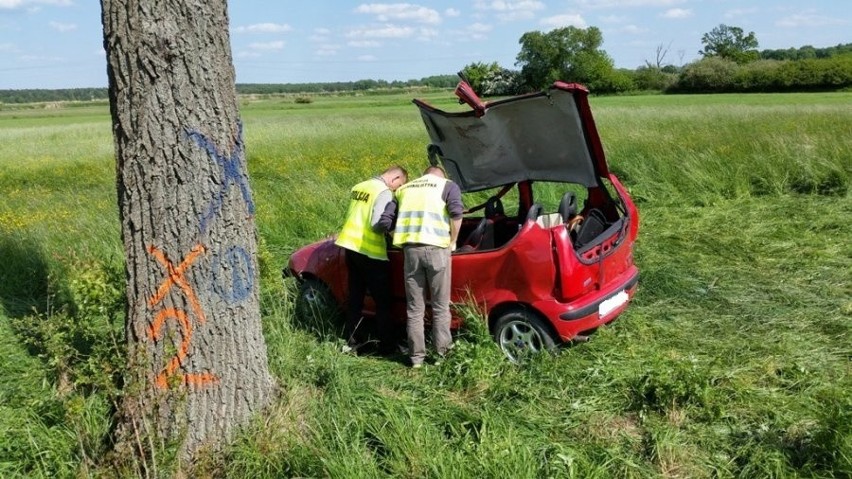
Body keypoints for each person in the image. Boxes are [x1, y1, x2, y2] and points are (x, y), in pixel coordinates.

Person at [392, 166, 464, 368]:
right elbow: (456, 214)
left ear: (424, 174)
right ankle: (441, 356)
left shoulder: (404, 188)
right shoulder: (447, 185)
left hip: (411, 251)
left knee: (415, 309)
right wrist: (453, 241)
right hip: (437, 250)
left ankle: (416, 359)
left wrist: (396, 238)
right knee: (440, 307)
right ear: (441, 174)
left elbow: (386, 220)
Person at [335, 165, 408, 354]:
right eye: (398, 186)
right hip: (370, 251)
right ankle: (387, 346)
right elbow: (378, 224)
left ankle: (353, 342)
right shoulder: (383, 192)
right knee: (383, 301)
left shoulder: (360, 186)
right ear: (395, 178)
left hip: (350, 246)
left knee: (356, 297)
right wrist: (394, 236)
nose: (396, 190)